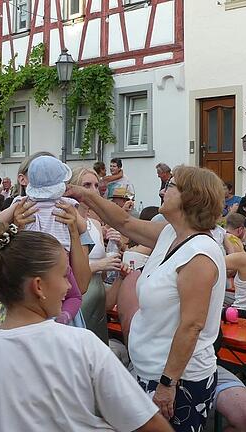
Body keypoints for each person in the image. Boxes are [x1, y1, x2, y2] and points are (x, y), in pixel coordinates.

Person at [0, 224, 169, 431]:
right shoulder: (82, 346)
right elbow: (147, 423)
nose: (66, 287)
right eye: (63, 276)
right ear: (38, 286)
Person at [67, 165, 226, 431]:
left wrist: (168, 383)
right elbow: (124, 222)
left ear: (190, 197)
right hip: (151, 371)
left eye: (171, 185)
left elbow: (192, 326)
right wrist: (86, 195)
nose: (163, 190)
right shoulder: (171, 235)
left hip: (177, 381)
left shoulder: (199, 254)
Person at [70, 167, 121, 344]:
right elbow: (65, 268)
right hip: (78, 296)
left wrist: (115, 250)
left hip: (98, 297)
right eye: (87, 185)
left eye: (96, 185)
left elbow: (105, 273)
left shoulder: (95, 224)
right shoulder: (68, 223)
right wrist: (101, 264)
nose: (93, 190)